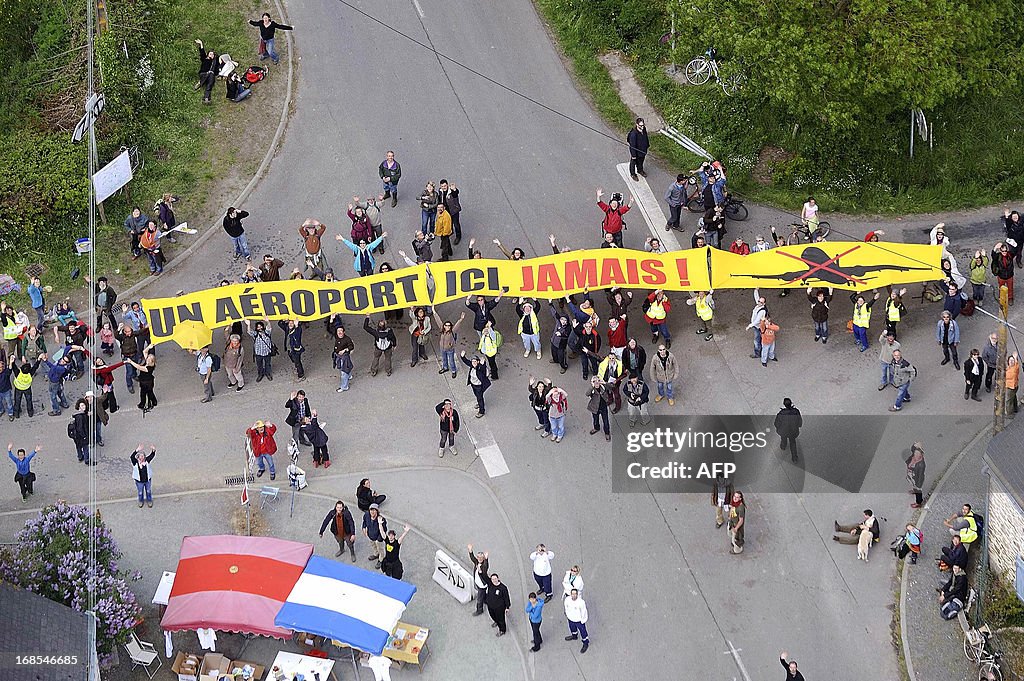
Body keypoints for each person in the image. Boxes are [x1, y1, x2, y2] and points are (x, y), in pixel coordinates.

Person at [433, 310, 465, 379]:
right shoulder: (442, 329)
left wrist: (461, 319)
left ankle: (453, 371)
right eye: (446, 325)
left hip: (450, 349)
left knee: (451, 361)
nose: (447, 326)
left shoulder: (452, 331)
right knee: (444, 359)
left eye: (449, 325)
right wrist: (434, 311)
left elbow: (457, 325)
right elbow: (438, 320)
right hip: (442, 348)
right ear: (444, 326)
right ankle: (445, 368)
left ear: (451, 326)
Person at [362, 503, 389, 569]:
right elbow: (364, 522)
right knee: (373, 546)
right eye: (371, 510)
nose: (372, 512)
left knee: (380, 548)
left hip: (378, 538)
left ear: (377, 511)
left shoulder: (381, 520)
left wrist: (379, 539)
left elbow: (384, 530)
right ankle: (376, 554)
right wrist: (364, 528)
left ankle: (381, 559)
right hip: (370, 536)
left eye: (374, 510)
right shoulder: (366, 515)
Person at [130, 444, 156, 508]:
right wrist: (137, 450)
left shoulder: (146, 461)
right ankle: (141, 501)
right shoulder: (135, 463)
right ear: (138, 457)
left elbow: (152, 455)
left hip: (147, 480)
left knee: (148, 491)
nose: (141, 458)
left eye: (142, 456)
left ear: (144, 457)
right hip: (139, 481)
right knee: (140, 492)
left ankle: (149, 500)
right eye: (140, 456)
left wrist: (153, 450)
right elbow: (131, 457)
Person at [563, 589, 589, 653]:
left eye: (575, 594)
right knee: (572, 628)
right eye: (572, 594)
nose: (574, 595)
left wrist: (583, 620)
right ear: (570, 594)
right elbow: (566, 607)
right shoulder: (567, 600)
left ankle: (585, 643)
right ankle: (574, 636)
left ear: (577, 594)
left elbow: (584, 612)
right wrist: (567, 614)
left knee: (583, 631)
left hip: (579, 620)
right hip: (571, 619)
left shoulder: (581, 602)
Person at [586, 377, 612, 441]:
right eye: (594, 381)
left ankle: (607, 433)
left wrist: (604, 383)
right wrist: (592, 386)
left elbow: (611, 387)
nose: (597, 383)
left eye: (598, 381)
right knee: (595, 419)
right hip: (594, 407)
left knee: (605, 421)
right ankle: (596, 428)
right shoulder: (592, 390)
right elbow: (587, 394)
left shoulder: (603, 387)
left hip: (603, 407)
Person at [468, 545, 490, 616]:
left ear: (483, 558)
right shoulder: (477, 562)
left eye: (481, 557)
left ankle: (479, 610)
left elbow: (486, 567)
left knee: (479, 599)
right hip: (479, 583)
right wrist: (470, 551)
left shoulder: (484, 566)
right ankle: (486, 600)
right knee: (482, 595)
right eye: (478, 557)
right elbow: (472, 558)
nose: (479, 559)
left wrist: (486, 559)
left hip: (482, 585)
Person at [332, 325, 355, 392]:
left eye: (341, 331)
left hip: (344, 357)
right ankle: (349, 375)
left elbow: (351, 346)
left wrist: (345, 350)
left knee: (343, 372)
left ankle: (344, 387)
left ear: (344, 332)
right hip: (338, 356)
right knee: (345, 366)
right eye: (338, 331)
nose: (339, 332)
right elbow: (330, 328)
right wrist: (331, 319)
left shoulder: (347, 339)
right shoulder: (336, 336)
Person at [991, 240, 1015, 305]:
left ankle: (1010, 298)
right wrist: (995, 248)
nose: (1004, 252)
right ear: (1000, 251)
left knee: (1010, 287)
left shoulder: (1010, 255)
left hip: (1009, 275)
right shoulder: (998, 256)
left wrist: (1011, 243)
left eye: (1005, 251)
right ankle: (1002, 297)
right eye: (1002, 251)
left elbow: (1015, 250)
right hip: (1001, 276)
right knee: (1001, 288)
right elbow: (993, 256)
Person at [195, 39, 218, 104]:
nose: (211, 55)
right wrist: (201, 44)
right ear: (208, 55)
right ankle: (201, 82)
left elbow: (216, 71)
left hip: (210, 76)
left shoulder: (214, 63)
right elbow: (202, 52)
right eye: (210, 54)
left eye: (213, 54)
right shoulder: (204, 59)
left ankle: (206, 98)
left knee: (209, 85)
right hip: (203, 74)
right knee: (210, 73)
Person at [746, 289, 768, 358]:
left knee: (756, 341)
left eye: (761, 302)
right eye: (759, 301)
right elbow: (756, 296)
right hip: (757, 326)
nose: (758, 302)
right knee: (760, 339)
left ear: (763, 304)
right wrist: (756, 290)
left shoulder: (762, 311)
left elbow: (757, 321)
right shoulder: (759, 306)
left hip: (758, 327)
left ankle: (757, 353)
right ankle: (761, 350)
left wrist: (749, 326)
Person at [70, 399, 92, 465]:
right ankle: (87, 460)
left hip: (76, 436)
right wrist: (84, 436)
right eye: (82, 405)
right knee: (85, 448)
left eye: (84, 405)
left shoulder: (77, 415)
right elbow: (80, 428)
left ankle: (80, 457)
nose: (84, 407)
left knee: (78, 446)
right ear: (79, 407)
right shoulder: (80, 417)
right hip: (81, 436)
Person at [906, 442, 926, 508]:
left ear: (921, 455)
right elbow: (912, 449)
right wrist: (915, 445)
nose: (916, 455)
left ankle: (918, 502)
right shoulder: (914, 458)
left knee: (918, 491)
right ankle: (914, 490)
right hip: (912, 476)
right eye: (915, 453)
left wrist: (918, 485)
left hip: (917, 479)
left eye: (918, 454)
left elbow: (920, 476)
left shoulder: (921, 465)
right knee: (914, 487)